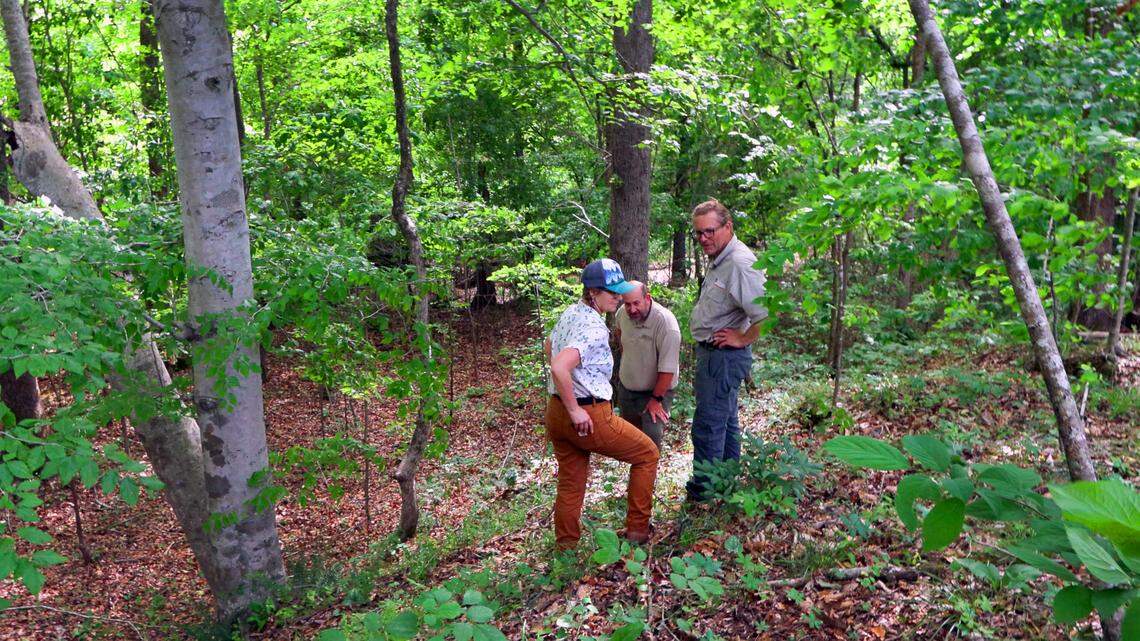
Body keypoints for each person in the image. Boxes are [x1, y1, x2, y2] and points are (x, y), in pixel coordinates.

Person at [544, 259, 660, 550]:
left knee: (571, 482)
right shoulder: (593, 328)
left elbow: (549, 345)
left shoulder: (572, 313)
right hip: (587, 414)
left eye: (618, 291)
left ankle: (566, 549)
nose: (618, 297)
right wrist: (575, 408)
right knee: (647, 454)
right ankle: (637, 531)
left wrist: (567, 401)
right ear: (592, 292)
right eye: (610, 292)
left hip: (556, 411)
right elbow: (559, 366)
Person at [686, 199, 767, 502]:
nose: (703, 238)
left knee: (708, 424)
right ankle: (726, 485)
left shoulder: (740, 263)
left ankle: (706, 493)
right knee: (726, 422)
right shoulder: (721, 258)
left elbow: (765, 314)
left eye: (709, 231)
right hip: (715, 355)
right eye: (698, 234)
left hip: (723, 357)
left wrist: (742, 338)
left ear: (727, 227)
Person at [615, 281, 682, 451]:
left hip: (657, 392)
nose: (632, 309)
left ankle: (649, 476)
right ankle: (636, 477)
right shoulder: (622, 314)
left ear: (647, 298)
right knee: (631, 440)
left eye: (636, 303)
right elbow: (620, 336)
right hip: (627, 390)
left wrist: (656, 399)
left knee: (651, 442)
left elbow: (668, 369)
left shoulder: (666, 323)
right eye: (627, 304)